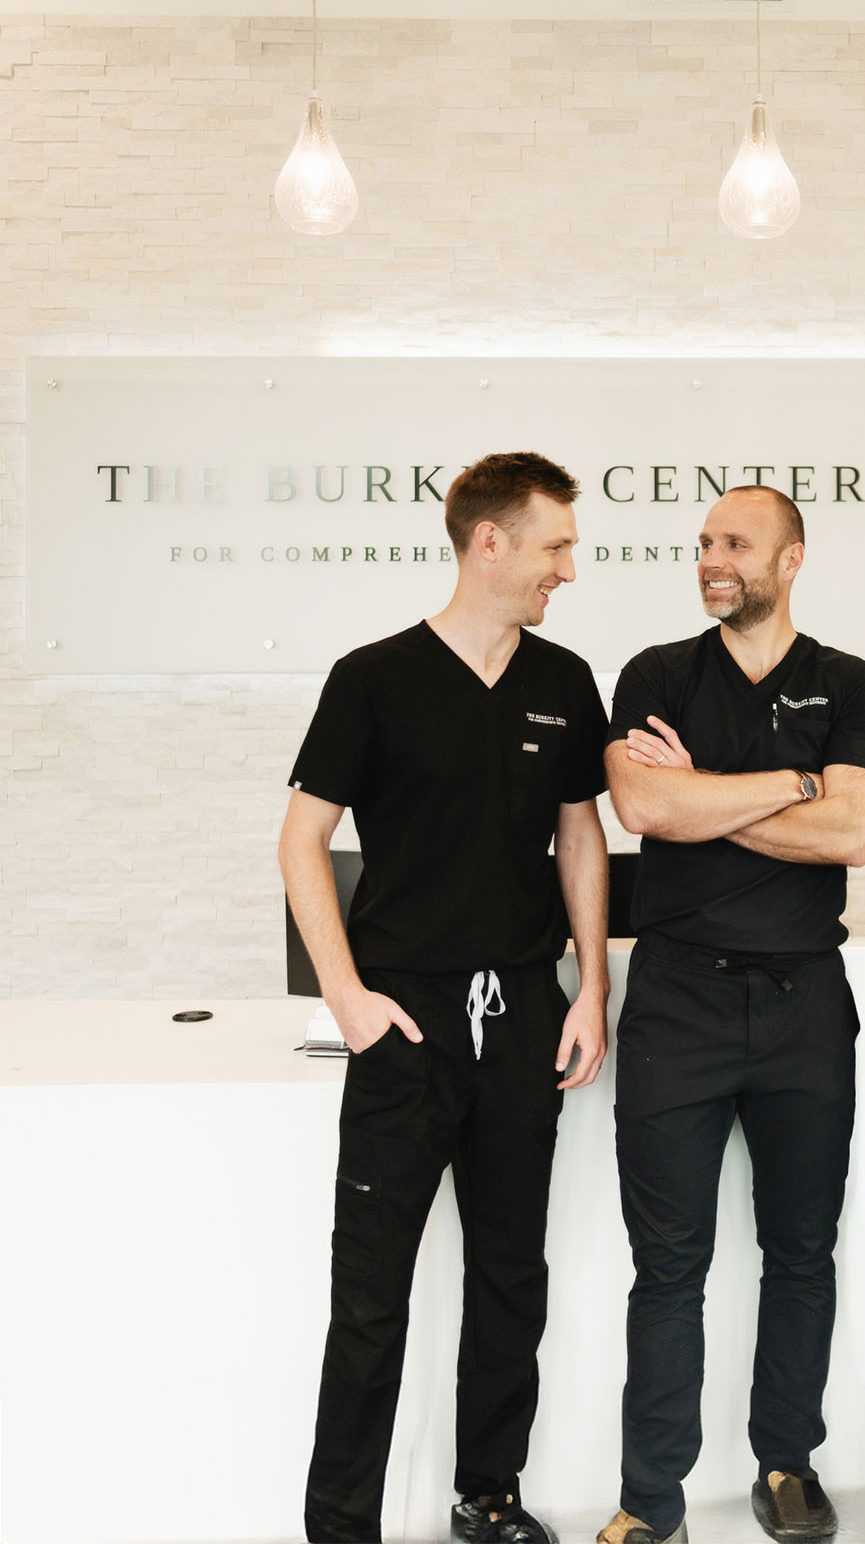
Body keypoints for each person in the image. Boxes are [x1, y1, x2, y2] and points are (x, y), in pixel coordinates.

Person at [279, 451, 610, 1544]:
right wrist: (351, 998)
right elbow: (300, 841)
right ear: (490, 543)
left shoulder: (564, 684)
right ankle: (341, 1529)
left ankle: (488, 1496)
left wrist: (589, 985)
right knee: (371, 1299)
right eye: (555, 544)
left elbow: (580, 836)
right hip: (405, 1024)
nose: (570, 564)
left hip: (521, 1013)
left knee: (512, 1277)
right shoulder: (372, 678)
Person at [597, 485, 865, 1544]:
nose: (712, 558)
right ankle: (652, 1503)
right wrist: (792, 788)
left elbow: (853, 833)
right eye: (704, 542)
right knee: (668, 1266)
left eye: (735, 542)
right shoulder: (656, 674)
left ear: (793, 558)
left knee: (800, 1249)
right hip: (677, 1001)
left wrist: (710, 800)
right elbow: (642, 808)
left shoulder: (849, 683)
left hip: (805, 1002)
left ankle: (786, 1465)